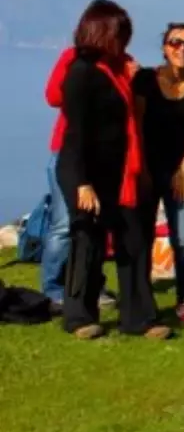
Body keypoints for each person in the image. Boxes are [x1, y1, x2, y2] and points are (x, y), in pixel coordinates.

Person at [57, 0, 171, 340]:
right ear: (101, 31)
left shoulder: (122, 70)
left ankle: (138, 317)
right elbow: (74, 132)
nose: (124, 41)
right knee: (87, 242)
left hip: (122, 172)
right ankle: (78, 316)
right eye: (119, 33)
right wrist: (82, 183)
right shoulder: (81, 72)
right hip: (86, 171)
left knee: (134, 242)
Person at [133, 23, 184, 325]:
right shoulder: (145, 80)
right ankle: (141, 298)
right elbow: (138, 125)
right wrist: (142, 169)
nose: (182, 48)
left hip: (183, 168)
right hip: (148, 167)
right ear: (165, 48)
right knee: (141, 236)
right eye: (175, 42)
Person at [42, 48, 116, 313]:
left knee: (94, 226)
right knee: (64, 225)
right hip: (69, 150)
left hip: (103, 156)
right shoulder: (72, 58)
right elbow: (52, 96)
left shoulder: (118, 62)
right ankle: (53, 288)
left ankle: (90, 285)